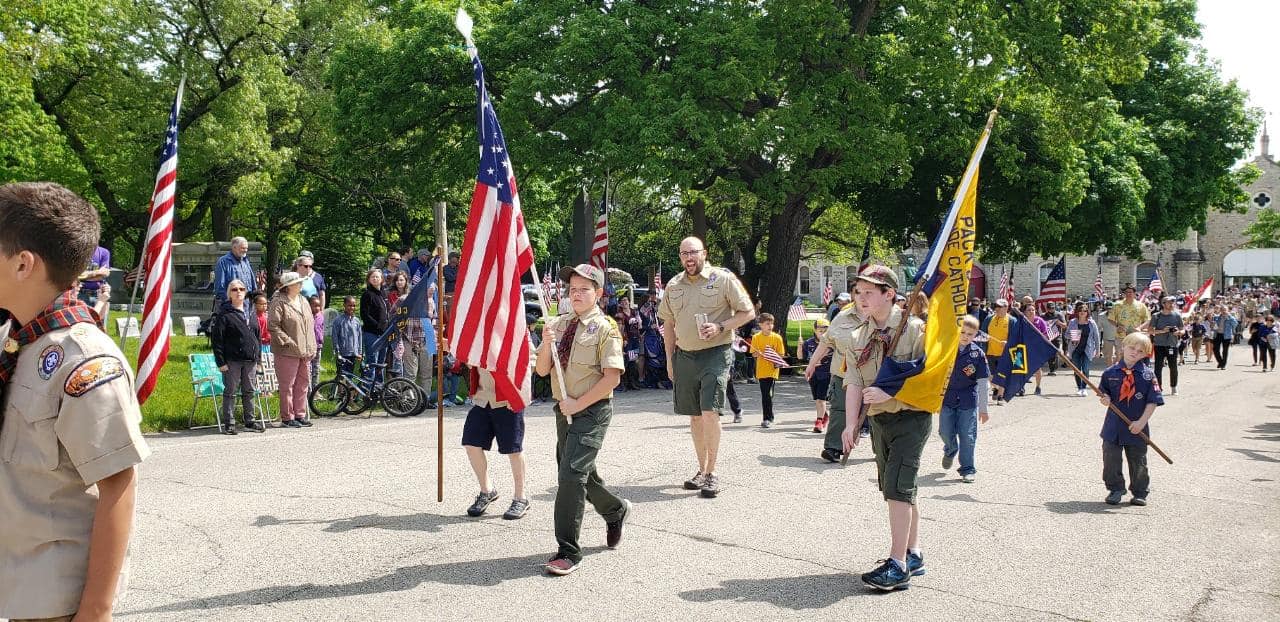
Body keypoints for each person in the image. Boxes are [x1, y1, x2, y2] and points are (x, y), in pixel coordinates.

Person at [0, 181, 150, 621]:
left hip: (57, 603)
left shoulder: (84, 360)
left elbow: (117, 483)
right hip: (16, 585)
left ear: (23, 264)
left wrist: (95, 612)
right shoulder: (16, 339)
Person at [536, 264, 632, 576]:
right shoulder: (559, 324)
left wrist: (578, 403)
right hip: (564, 411)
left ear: (599, 293)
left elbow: (612, 378)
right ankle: (615, 510)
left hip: (592, 411)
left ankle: (569, 552)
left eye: (584, 290)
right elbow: (541, 370)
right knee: (580, 474)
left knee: (570, 477)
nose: (576, 294)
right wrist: (546, 342)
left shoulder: (606, 328)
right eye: (572, 289)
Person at [837, 265, 927, 591]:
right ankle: (913, 553)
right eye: (857, 292)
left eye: (869, 292)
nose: (860, 298)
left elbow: (930, 375)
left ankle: (897, 564)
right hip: (878, 421)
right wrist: (850, 425)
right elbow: (853, 382)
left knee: (897, 489)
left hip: (910, 417)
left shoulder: (913, 329)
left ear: (889, 294)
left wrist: (893, 392)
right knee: (901, 487)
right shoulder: (858, 336)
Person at [657, 236, 755, 499]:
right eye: (684, 253)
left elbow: (747, 312)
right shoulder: (674, 285)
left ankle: (712, 473)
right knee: (695, 416)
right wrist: (670, 359)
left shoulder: (722, 279)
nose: (689, 258)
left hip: (716, 353)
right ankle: (701, 470)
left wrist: (721, 326)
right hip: (685, 356)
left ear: (704, 253)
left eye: (693, 252)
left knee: (710, 412)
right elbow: (668, 324)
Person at [1097, 332, 1162, 506]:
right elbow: (1104, 393)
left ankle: (1140, 491)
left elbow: (1153, 401)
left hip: (1137, 426)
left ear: (1145, 354)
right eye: (1132, 348)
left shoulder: (1148, 375)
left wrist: (1141, 422)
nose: (1135, 352)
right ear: (1123, 346)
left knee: (1138, 461)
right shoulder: (1110, 373)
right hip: (1113, 426)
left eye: (1140, 351)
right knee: (1110, 459)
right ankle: (1115, 489)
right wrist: (1105, 399)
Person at [461, 365, 531, 520]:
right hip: (483, 398)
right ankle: (487, 491)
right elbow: (470, 360)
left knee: (514, 449)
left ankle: (520, 497)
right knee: (471, 443)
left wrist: (520, 394)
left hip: (508, 398)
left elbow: (525, 362)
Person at [938, 315, 990, 483]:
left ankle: (967, 469)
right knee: (945, 431)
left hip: (968, 400)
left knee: (967, 436)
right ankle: (950, 449)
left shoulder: (978, 354)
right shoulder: (946, 349)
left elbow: (983, 382)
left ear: (975, 335)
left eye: (970, 334)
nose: (966, 336)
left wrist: (983, 409)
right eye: (963, 332)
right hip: (947, 398)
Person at [809, 299, 862, 462]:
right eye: (858, 291)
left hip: (874, 374)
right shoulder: (842, 316)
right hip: (843, 372)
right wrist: (812, 363)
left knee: (878, 413)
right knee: (839, 408)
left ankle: (883, 450)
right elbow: (826, 341)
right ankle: (833, 447)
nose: (863, 296)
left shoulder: (886, 315)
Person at [210, 279, 265, 434]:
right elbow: (217, 340)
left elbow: (257, 337)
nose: (238, 292)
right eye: (234, 289)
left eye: (241, 289)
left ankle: (250, 421)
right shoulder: (224, 314)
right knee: (231, 391)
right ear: (229, 294)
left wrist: (258, 359)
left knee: (249, 390)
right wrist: (221, 362)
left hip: (250, 360)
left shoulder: (251, 312)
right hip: (232, 360)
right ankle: (229, 423)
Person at [268, 271, 317, 428]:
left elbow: (310, 325)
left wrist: (312, 345)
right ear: (288, 286)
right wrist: (287, 341)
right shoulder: (278, 302)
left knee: (303, 383)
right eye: (298, 282)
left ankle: (299, 414)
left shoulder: (303, 300)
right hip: (287, 350)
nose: (301, 284)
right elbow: (273, 326)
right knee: (287, 385)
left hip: (304, 349)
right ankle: (287, 417)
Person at [749, 312, 785, 428]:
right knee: (765, 394)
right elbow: (753, 354)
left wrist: (772, 355)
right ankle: (769, 416)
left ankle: (767, 418)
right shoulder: (756, 337)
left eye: (771, 324)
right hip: (761, 371)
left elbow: (781, 354)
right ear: (760, 325)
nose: (770, 326)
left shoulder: (777, 338)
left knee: (768, 394)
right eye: (767, 324)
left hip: (772, 371)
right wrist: (758, 353)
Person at [980, 299, 1017, 403]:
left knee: (1002, 375)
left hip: (1005, 354)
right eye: (996, 306)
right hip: (990, 352)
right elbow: (982, 333)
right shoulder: (989, 318)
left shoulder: (1012, 320)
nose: (997, 309)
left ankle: (1001, 396)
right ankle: (996, 388)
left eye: (1000, 307)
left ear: (1006, 308)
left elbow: (1016, 337)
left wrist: (1008, 343)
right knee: (990, 376)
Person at [802, 318, 833, 434]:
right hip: (813, 374)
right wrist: (800, 347)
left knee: (821, 399)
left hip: (825, 374)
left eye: (825, 331)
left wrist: (818, 361)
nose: (823, 333)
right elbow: (801, 357)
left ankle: (819, 421)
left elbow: (830, 357)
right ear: (815, 330)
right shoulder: (808, 343)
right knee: (817, 399)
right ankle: (824, 415)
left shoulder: (831, 344)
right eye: (820, 331)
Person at [1148, 296, 1183, 395]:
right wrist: (1162, 331)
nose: (1172, 304)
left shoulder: (1177, 315)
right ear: (1163, 304)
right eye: (1169, 302)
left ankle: (1173, 387)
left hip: (1172, 344)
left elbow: (1183, 329)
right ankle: (1158, 388)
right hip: (1159, 345)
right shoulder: (1156, 316)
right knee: (1158, 368)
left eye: (1173, 302)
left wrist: (1178, 332)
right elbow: (1150, 330)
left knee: (1173, 367)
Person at [360, 268, 391, 378]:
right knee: (372, 362)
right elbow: (365, 315)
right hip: (372, 334)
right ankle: (368, 386)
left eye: (377, 277)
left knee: (381, 363)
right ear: (368, 279)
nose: (375, 279)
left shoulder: (384, 294)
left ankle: (378, 386)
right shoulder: (367, 294)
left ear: (381, 279)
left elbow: (387, 312)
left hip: (384, 334)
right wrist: (378, 326)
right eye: (372, 277)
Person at [1066, 303, 1102, 396]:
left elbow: (1096, 337)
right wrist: (1073, 335)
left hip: (1088, 349)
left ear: (1087, 312)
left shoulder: (1091, 323)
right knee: (1077, 369)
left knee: (1086, 369)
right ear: (1077, 312)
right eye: (1080, 311)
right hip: (1075, 349)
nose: (1082, 312)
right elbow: (1066, 335)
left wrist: (1098, 351)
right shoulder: (1073, 322)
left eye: (1084, 311)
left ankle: (1084, 388)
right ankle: (1079, 388)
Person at [213, 236, 256, 309]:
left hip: (247, 305)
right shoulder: (223, 262)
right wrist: (230, 303)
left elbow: (252, 283)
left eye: (246, 248)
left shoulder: (245, 261)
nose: (245, 250)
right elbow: (220, 287)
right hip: (231, 307)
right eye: (243, 248)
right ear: (234, 247)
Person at [332, 295, 363, 378]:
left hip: (353, 354)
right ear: (344, 305)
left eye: (354, 306)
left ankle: (348, 386)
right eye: (349, 305)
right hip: (342, 354)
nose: (352, 308)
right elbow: (335, 337)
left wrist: (359, 352)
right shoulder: (338, 320)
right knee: (341, 375)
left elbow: (359, 337)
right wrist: (337, 351)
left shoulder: (357, 321)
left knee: (350, 375)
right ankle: (339, 386)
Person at [1211, 304, 1238, 369]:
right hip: (1218, 334)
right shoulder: (1216, 317)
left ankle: (1223, 365)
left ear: (1227, 310)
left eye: (1225, 310)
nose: (1223, 311)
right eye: (1222, 310)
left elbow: (1235, 324)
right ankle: (1220, 362)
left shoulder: (1230, 318)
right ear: (1220, 310)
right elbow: (1213, 327)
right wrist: (1212, 325)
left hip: (1227, 335)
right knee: (1215, 349)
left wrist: (1229, 316)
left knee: (1225, 350)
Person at [309, 295, 325, 389]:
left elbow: (322, 329)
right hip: (309, 347)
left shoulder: (320, 316)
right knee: (308, 369)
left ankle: (315, 389)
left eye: (318, 306)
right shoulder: (307, 317)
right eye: (314, 306)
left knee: (316, 368)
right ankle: (308, 390)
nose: (317, 308)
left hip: (318, 346)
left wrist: (321, 339)